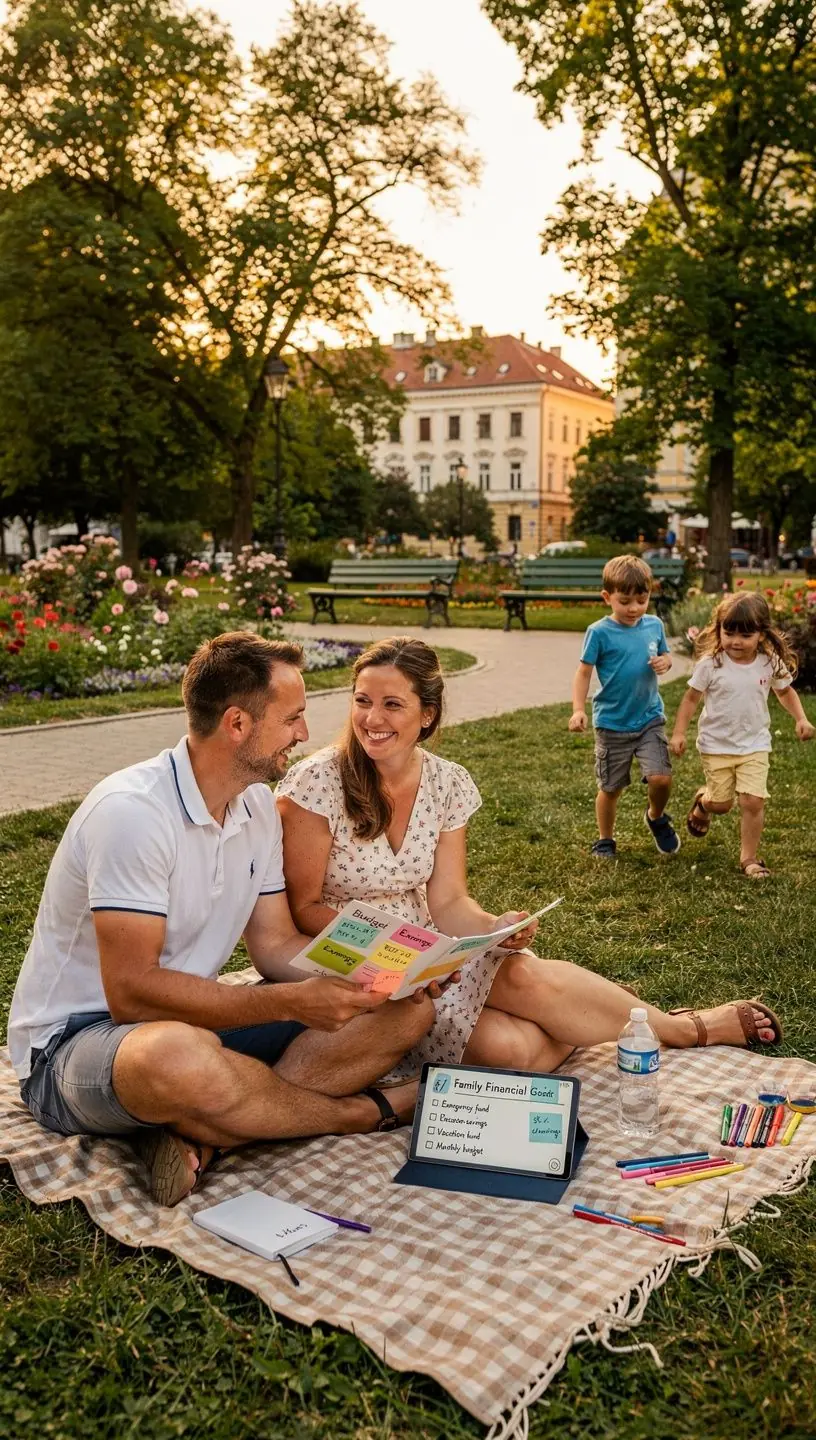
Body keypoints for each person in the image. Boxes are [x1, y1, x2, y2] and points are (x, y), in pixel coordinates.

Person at [8, 633, 434, 1208]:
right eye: (293, 718)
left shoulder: (255, 805)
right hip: (77, 1044)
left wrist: (385, 966)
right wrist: (289, 1004)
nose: (304, 735)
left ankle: (208, 1132)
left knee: (404, 1011)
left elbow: (275, 943)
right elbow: (132, 996)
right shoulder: (133, 815)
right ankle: (359, 1114)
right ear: (237, 724)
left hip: (194, 1019)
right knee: (176, 1057)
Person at [277, 635, 782, 1079]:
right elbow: (306, 908)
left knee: (518, 973)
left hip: (433, 954)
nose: (372, 719)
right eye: (362, 701)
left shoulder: (446, 781)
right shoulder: (318, 782)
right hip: (362, 961)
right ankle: (608, 1019)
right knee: (512, 1051)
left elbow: (450, 899)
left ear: (427, 714)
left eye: (392, 704)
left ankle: (685, 1028)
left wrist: (492, 924)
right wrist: (397, 957)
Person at [671, 591, 814, 878]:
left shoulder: (769, 662)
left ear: (761, 634)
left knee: (752, 801)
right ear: (719, 629)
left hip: (755, 744)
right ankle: (703, 801)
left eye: (745, 635)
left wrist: (801, 718)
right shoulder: (711, 664)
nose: (736, 641)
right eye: (729, 632)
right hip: (716, 746)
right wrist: (678, 733)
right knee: (722, 805)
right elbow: (690, 699)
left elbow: (785, 691)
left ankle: (748, 858)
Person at [568, 554, 680, 860]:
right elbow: (583, 672)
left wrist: (665, 662)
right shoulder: (599, 632)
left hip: (649, 718)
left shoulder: (654, 625)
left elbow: (667, 655)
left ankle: (656, 816)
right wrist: (579, 709)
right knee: (611, 787)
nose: (634, 608)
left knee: (661, 778)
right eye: (625, 601)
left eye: (641, 600)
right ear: (607, 597)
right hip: (612, 723)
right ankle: (605, 839)